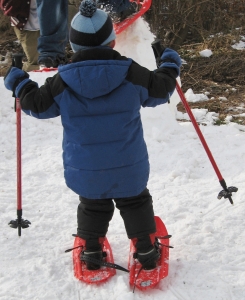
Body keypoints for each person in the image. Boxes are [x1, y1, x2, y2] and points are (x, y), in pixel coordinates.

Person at [4, 0, 181, 271]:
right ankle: (146, 251)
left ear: (73, 46)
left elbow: (36, 105)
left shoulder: (62, 81)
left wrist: (19, 83)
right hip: (128, 167)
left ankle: (92, 252)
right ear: (112, 42)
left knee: (93, 207)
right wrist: (169, 63)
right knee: (135, 202)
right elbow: (161, 90)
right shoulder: (130, 73)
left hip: (85, 170)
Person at [0, 0, 40, 71]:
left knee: (55, 58)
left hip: (50, 24)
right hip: (28, 27)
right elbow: (6, 7)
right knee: (34, 63)